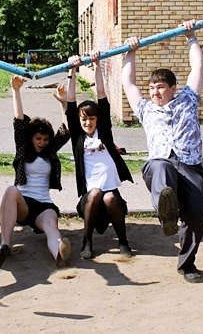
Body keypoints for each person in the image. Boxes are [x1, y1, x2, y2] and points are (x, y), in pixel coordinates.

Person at [121, 20, 203, 283]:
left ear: (172, 88)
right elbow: (128, 84)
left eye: (160, 87)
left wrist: (191, 37)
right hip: (160, 165)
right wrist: (130, 53)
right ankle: (166, 210)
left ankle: (187, 264)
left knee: (197, 214)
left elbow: (198, 67)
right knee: (161, 165)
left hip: (190, 165)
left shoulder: (188, 99)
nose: (154, 92)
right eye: (151, 88)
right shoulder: (145, 109)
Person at [0, 75, 72, 278]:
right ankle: (4, 245)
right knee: (10, 190)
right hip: (23, 203)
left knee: (51, 226)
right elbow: (19, 121)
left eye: (45, 139)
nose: (42, 142)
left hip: (44, 205)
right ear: (31, 138)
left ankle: (59, 254)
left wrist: (64, 103)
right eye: (38, 138)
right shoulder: (23, 148)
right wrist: (16, 91)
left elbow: (66, 130)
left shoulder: (50, 150)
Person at [66, 51, 133, 260]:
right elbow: (70, 101)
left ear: (98, 119)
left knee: (110, 197)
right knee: (95, 193)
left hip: (111, 194)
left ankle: (123, 241)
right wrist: (72, 71)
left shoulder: (104, 133)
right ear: (79, 121)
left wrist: (96, 65)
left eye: (92, 119)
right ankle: (87, 241)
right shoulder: (78, 138)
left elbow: (102, 95)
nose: (88, 123)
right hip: (89, 198)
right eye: (84, 119)